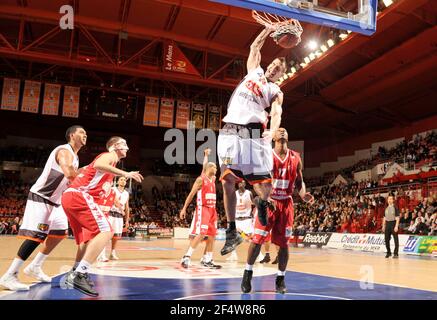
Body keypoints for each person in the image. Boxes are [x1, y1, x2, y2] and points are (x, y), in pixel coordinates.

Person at [217, 26, 287, 256]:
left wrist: (274, 130)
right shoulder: (253, 71)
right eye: (274, 64)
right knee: (227, 180)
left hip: (251, 136)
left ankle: (263, 203)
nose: (274, 68)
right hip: (228, 133)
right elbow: (255, 47)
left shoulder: (274, 89)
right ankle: (231, 232)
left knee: (263, 186)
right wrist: (268, 28)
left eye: (278, 69)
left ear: (280, 76)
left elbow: (276, 112)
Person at [0, 126, 87, 291]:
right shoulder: (64, 151)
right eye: (82, 132)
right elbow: (69, 173)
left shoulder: (75, 157)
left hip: (56, 201)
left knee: (59, 233)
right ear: (72, 135)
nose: (85, 135)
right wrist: (87, 177)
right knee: (36, 236)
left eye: (86, 133)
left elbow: (73, 174)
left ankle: (35, 266)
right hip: (42, 197)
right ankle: (9, 275)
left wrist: (91, 170)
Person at [62, 136, 143, 297]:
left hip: (72, 197)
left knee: (88, 239)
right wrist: (126, 174)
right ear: (115, 146)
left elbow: (89, 172)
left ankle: (74, 272)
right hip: (78, 195)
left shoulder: (109, 173)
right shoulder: (110, 156)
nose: (127, 147)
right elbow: (99, 164)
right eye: (124, 144)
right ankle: (81, 273)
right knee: (107, 231)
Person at [241, 128, 314, 294]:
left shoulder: (296, 157)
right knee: (257, 240)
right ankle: (247, 273)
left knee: (283, 245)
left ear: (288, 137)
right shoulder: (265, 155)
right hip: (269, 203)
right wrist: (264, 198)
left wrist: (303, 195)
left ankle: (280, 279)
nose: (282, 131)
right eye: (279, 130)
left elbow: (299, 181)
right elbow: (256, 182)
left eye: (285, 130)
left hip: (286, 205)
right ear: (273, 137)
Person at [180, 148, 221, 269]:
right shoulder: (200, 180)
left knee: (212, 235)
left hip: (213, 210)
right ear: (209, 168)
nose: (216, 170)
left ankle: (207, 259)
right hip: (203, 209)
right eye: (215, 167)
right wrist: (184, 209)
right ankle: (186, 256)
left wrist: (207, 156)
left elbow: (205, 167)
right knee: (202, 233)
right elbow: (191, 195)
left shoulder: (213, 179)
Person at [227, 181, 254, 262]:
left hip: (247, 219)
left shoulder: (249, 193)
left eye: (242, 183)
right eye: (238, 183)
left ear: (245, 184)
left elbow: (253, 203)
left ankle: (259, 255)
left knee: (251, 239)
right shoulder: (234, 193)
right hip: (237, 219)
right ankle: (233, 255)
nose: (240, 184)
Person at [107, 176, 130, 260]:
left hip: (119, 215)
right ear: (117, 181)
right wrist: (120, 208)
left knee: (116, 236)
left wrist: (127, 220)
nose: (123, 181)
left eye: (124, 180)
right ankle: (101, 254)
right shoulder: (113, 189)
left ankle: (112, 253)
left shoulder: (126, 193)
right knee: (106, 235)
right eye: (121, 179)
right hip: (110, 213)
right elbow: (113, 200)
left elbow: (127, 207)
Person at [382, 194, 400, 258]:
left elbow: (397, 218)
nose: (389, 200)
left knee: (396, 240)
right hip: (387, 224)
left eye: (391, 199)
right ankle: (388, 252)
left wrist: (396, 226)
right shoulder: (386, 208)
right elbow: (384, 218)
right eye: (388, 199)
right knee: (386, 239)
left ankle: (396, 253)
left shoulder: (395, 207)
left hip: (393, 223)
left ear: (393, 200)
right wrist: (383, 226)